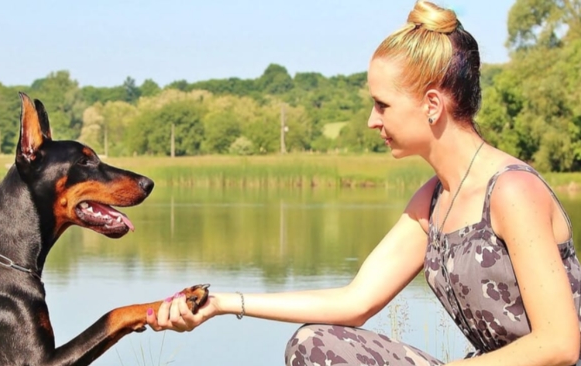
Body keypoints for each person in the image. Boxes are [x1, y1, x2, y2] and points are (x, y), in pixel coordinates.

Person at [145, 1, 581, 365]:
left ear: (432, 104)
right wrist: (222, 303)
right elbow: (355, 302)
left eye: (382, 104)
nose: (372, 120)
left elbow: (560, 343)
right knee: (314, 344)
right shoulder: (432, 201)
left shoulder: (511, 191)